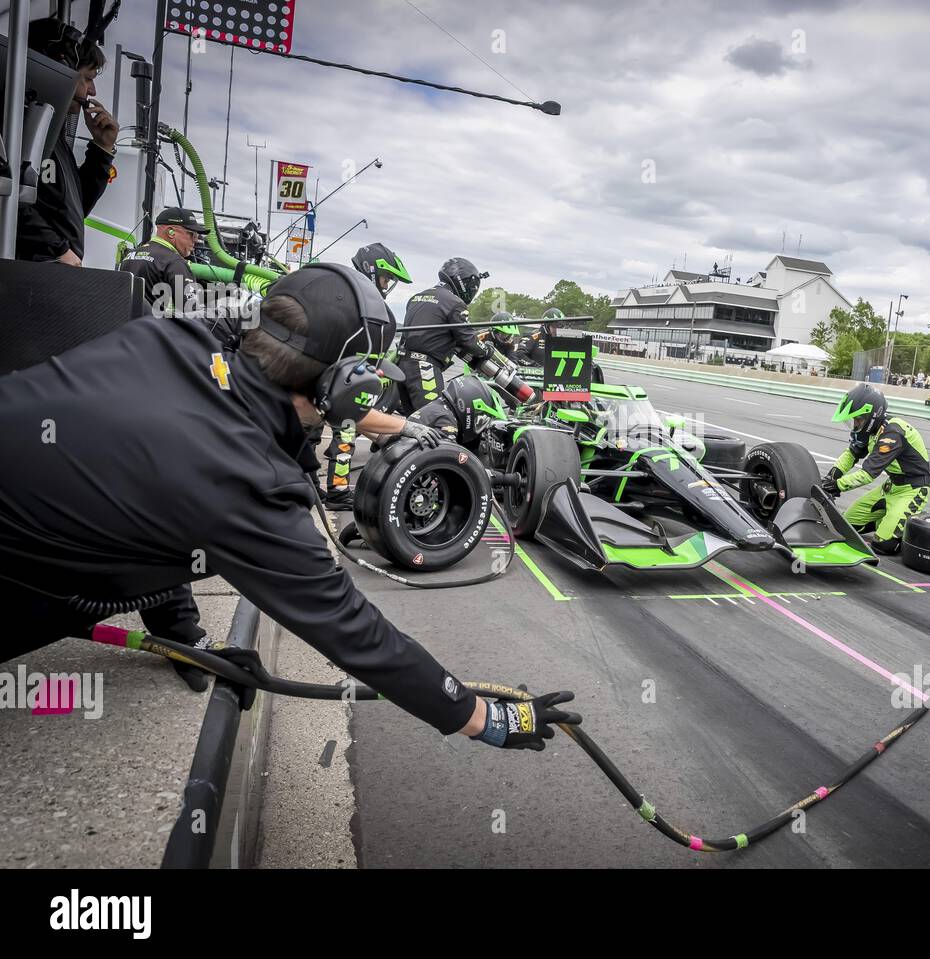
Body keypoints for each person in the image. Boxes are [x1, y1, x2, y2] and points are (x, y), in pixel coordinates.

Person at [0, 263, 581, 749]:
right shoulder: (248, 483)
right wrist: (486, 719)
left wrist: (187, 640)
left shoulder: (169, 339)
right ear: (347, 386)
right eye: (369, 377)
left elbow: (155, 517)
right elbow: (353, 630)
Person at [314, 244, 415, 510]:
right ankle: (334, 493)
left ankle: (312, 486)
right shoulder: (363, 302)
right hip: (331, 380)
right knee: (344, 432)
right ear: (372, 270)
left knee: (316, 434)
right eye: (386, 278)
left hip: (318, 375)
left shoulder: (341, 289)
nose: (387, 284)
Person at [16, 17, 119, 265]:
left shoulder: (51, 134)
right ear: (59, 70)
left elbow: (73, 208)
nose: (92, 91)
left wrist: (101, 150)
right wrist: (57, 250)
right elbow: (9, 199)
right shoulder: (16, 125)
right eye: (87, 78)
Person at [819, 384, 930, 555]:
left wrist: (836, 486)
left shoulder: (892, 433)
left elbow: (866, 475)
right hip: (890, 487)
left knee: (883, 545)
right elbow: (851, 453)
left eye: (858, 419)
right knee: (843, 525)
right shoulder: (872, 429)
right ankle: (886, 518)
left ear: (872, 415)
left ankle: (905, 521)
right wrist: (832, 476)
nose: (855, 425)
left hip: (913, 490)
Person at [391, 258, 494, 429]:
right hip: (424, 369)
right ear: (464, 282)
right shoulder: (454, 303)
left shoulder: (417, 297)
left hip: (401, 366)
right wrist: (487, 350)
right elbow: (468, 340)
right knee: (438, 422)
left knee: (414, 424)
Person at [117, 207, 204, 316]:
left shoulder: (130, 255)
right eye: (192, 234)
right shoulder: (175, 262)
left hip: (127, 328)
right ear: (171, 232)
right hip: (156, 330)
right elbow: (192, 313)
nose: (196, 240)